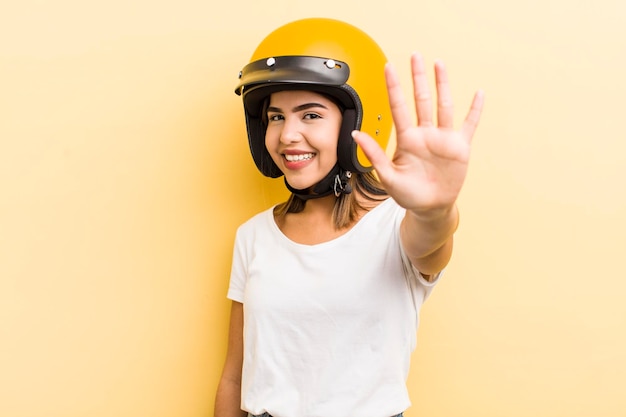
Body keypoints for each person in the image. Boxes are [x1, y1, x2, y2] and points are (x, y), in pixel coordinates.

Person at [214, 17, 484, 417]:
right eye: (275, 117)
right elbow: (235, 377)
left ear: (356, 124)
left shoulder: (396, 226)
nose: (287, 135)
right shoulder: (253, 236)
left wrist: (435, 209)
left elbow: (432, 241)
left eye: (310, 115)